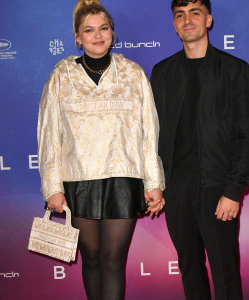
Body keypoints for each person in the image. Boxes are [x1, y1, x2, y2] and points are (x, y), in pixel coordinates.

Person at [37, 1, 165, 299]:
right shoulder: (62, 75)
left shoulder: (133, 74)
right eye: (89, 30)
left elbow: (149, 133)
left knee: (112, 261)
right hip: (78, 179)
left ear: (112, 33)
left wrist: (154, 183)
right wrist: (52, 187)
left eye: (103, 28)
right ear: (78, 37)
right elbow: (49, 135)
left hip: (123, 178)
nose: (98, 35)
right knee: (91, 259)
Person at [150, 0, 249, 299]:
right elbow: (151, 136)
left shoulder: (235, 70)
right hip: (176, 189)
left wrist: (233, 190)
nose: (187, 20)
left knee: (225, 273)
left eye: (195, 13)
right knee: (190, 271)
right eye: (180, 15)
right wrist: (156, 185)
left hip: (218, 187)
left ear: (208, 20)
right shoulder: (161, 73)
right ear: (174, 24)